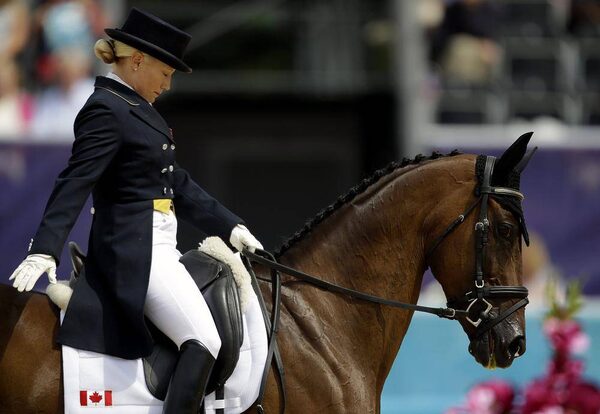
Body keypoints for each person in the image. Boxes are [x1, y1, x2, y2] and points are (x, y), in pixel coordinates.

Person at [8, 8, 263, 413]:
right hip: (134, 253)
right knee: (204, 340)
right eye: (165, 72)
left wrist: (230, 226)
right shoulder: (106, 109)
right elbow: (75, 181)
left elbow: (176, 182)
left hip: (160, 245)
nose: (167, 84)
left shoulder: (138, 108)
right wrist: (45, 248)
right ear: (139, 60)